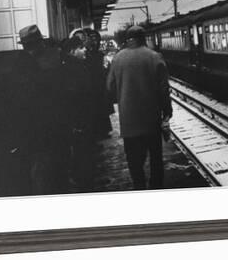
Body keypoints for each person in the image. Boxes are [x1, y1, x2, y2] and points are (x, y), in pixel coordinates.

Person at [106, 25, 173, 190]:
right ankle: (156, 188)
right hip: (151, 119)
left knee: (134, 161)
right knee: (156, 158)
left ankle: (139, 188)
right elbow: (164, 89)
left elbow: (109, 87)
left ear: (128, 40)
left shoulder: (118, 58)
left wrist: (124, 96)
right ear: (144, 39)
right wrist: (167, 111)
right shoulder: (154, 57)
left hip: (128, 121)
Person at [10, 24, 71, 195]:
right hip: (48, 129)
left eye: (31, 45)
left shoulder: (21, 65)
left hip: (43, 130)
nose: (30, 49)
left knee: (47, 174)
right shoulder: (55, 59)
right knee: (52, 173)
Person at [61, 35, 97, 192]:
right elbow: (74, 98)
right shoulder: (72, 69)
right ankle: (84, 184)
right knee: (82, 157)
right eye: (81, 48)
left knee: (83, 156)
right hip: (80, 123)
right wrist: (78, 123)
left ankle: (84, 181)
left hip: (82, 121)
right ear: (72, 51)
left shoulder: (74, 66)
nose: (85, 50)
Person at [82, 28, 114, 139]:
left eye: (96, 39)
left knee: (101, 108)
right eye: (92, 39)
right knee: (97, 108)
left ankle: (102, 130)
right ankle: (100, 130)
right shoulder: (87, 55)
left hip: (99, 85)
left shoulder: (99, 55)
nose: (94, 42)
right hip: (93, 85)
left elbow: (106, 69)